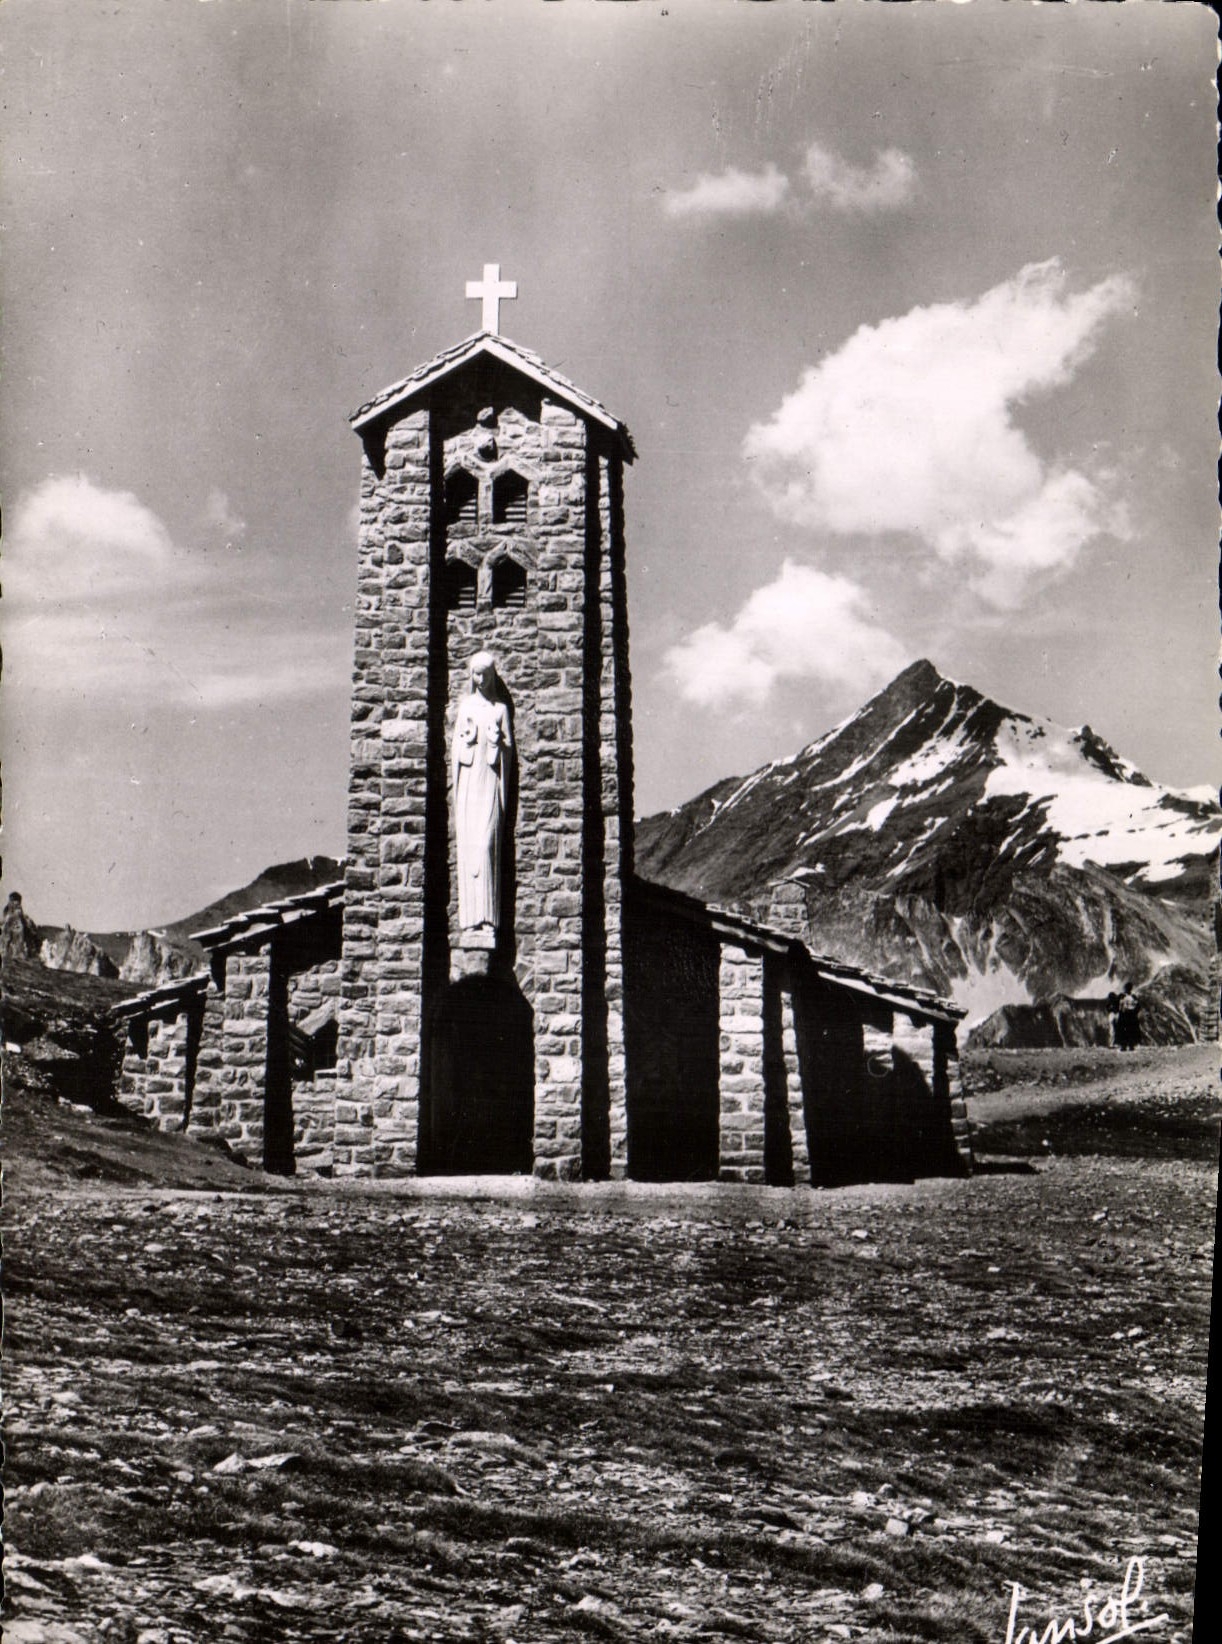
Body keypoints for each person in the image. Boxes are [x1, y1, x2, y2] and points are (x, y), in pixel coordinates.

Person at [451, 651, 513, 937]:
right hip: (468, 787)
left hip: (489, 782)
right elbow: (457, 752)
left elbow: (508, 751)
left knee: (487, 845)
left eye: (485, 675)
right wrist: (468, 742)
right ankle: (471, 919)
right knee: (469, 847)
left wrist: (495, 743)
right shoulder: (465, 707)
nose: (481, 680)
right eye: (476, 675)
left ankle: (489, 917)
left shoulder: (500, 710)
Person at [1115, 983, 1141, 1051]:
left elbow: (1117, 1005)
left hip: (1124, 1015)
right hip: (1131, 1016)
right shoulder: (1134, 997)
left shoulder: (1121, 996)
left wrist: (1119, 1012)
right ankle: (1131, 1045)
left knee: (1123, 1030)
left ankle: (1124, 1045)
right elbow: (1138, 1006)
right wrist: (1135, 1012)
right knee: (1131, 1030)